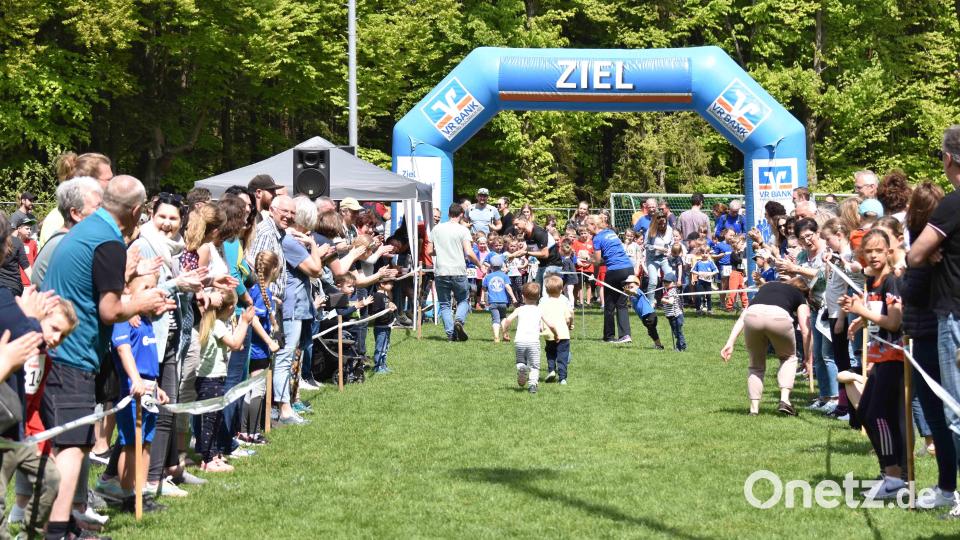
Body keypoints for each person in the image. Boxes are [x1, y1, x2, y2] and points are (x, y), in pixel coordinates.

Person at [40, 175, 172, 539]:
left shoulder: (87, 230)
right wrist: (143, 302)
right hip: (71, 354)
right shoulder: (109, 242)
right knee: (71, 447)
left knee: (74, 442)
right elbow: (110, 309)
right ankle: (57, 531)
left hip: (57, 349)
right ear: (136, 210)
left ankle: (65, 523)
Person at [907, 125, 960, 517]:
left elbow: (914, 255)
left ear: (948, 159)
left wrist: (930, 248)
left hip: (954, 315)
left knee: (955, 410)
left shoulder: (953, 204)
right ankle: (947, 488)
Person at [839, 229, 906, 500]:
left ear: (889, 252)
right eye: (869, 251)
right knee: (866, 412)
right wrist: (861, 318)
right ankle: (887, 473)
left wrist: (861, 311)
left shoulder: (891, 282)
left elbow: (894, 322)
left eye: (879, 250)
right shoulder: (873, 282)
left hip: (895, 357)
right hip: (879, 357)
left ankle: (894, 477)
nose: (874, 256)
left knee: (879, 414)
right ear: (862, 255)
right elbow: (878, 315)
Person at [110, 273, 170, 499]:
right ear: (128, 290)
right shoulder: (124, 320)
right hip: (132, 390)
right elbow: (123, 349)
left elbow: (148, 357)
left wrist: (157, 387)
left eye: (154, 287)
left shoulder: (145, 320)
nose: (151, 291)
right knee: (131, 444)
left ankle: (142, 493)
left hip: (150, 389)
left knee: (146, 442)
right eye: (145, 287)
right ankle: (127, 495)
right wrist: (135, 380)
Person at [720, 278, 813, 416]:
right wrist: (808, 359)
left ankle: (754, 409)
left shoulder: (766, 287)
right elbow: (805, 330)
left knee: (755, 365)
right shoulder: (799, 296)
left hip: (752, 316)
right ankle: (784, 400)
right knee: (789, 358)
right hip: (779, 318)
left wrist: (730, 342)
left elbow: (742, 317)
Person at [196, 291, 253, 472]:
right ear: (230, 308)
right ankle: (208, 459)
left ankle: (213, 455)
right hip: (210, 380)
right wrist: (244, 321)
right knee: (210, 421)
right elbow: (235, 344)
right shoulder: (217, 324)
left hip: (213, 378)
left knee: (215, 419)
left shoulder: (212, 322)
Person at [240, 251, 280, 445]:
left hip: (256, 348)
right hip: (257, 349)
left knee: (251, 388)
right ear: (274, 269)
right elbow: (253, 318)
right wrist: (269, 341)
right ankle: (251, 433)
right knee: (256, 390)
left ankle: (244, 431)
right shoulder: (260, 292)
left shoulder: (260, 290)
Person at [32, 178, 103, 285]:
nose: (103, 214)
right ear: (75, 213)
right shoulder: (68, 246)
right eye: (97, 208)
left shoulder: (65, 240)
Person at [431, 203, 481, 342]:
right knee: (463, 300)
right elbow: (469, 252)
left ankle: (450, 334)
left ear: (448, 214)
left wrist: (441, 250)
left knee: (445, 304)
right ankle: (459, 320)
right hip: (458, 270)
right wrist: (479, 264)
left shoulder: (436, 229)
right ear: (461, 215)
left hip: (441, 271)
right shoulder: (463, 230)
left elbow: (430, 251)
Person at [40, 153, 112, 247]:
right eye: (109, 179)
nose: (114, 184)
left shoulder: (90, 216)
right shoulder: (58, 221)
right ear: (89, 182)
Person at [501, 282, 557, 395]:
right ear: (538, 297)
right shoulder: (539, 310)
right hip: (533, 342)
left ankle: (522, 368)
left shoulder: (519, 309)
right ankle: (532, 385)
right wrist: (556, 335)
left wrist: (505, 332)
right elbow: (551, 325)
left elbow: (507, 320)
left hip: (519, 341)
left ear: (523, 296)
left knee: (521, 361)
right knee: (535, 365)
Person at [585, 215, 633, 343]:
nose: (586, 229)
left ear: (594, 225)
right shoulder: (611, 233)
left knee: (609, 305)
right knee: (622, 304)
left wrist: (587, 258)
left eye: (587, 226)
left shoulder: (597, 238)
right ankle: (625, 335)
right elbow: (606, 258)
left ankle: (609, 336)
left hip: (615, 271)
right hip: (628, 269)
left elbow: (597, 260)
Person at [540, 275, 573, 384]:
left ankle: (551, 370)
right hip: (563, 333)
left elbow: (540, 315)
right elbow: (569, 317)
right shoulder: (563, 301)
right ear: (561, 289)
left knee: (550, 352)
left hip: (548, 333)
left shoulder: (543, 301)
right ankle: (562, 378)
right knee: (562, 355)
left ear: (546, 289)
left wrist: (540, 326)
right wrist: (570, 324)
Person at [511, 215, 563, 284]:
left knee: (546, 293)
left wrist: (526, 252)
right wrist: (512, 256)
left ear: (524, 221)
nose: (515, 227)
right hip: (542, 265)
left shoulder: (539, 232)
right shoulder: (526, 235)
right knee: (536, 291)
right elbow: (528, 250)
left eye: (516, 224)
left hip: (553, 265)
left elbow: (545, 254)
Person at [622, 275, 665, 349]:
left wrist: (629, 291)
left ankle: (659, 345)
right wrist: (628, 294)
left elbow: (635, 293)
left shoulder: (638, 291)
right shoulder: (631, 296)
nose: (629, 286)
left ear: (637, 285)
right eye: (627, 285)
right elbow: (631, 301)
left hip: (649, 315)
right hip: (645, 316)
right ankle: (658, 345)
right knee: (651, 332)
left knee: (652, 331)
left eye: (631, 285)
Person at [481, 255, 516, 343]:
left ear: (491, 266)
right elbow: (508, 287)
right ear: (501, 266)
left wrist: (482, 299)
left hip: (492, 302)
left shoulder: (488, 277)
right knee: (503, 317)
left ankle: (496, 337)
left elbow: (484, 289)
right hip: (503, 301)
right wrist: (514, 298)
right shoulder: (504, 276)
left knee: (495, 319)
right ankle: (505, 334)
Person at [644, 210, 674, 302]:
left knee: (670, 277)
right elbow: (645, 245)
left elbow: (671, 243)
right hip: (652, 258)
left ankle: (671, 298)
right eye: (660, 224)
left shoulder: (669, 229)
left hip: (664, 257)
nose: (662, 226)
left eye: (664, 223)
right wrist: (657, 247)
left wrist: (670, 251)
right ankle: (651, 302)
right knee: (653, 281)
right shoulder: (650, 231)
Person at [369, 279, 397, 374]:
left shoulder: (385, 296)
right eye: (390, 283)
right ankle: (378, 366)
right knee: (380, 347)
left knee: (385, 346)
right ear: (381, 284)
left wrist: (391, 307)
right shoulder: (377, 296)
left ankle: (383, 364)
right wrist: (389, 310)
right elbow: (376, 312)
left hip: (386, 326)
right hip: (381, 326)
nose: (392, 285)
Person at [661, 274, 686, 351]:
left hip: (676, 316)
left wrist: (664, 300)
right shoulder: (667, 290)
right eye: (664, 282)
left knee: (678, 332)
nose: (666, 283)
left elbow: (671, 301)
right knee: (676, 332)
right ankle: (680, 346)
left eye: (668, 282)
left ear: (674, 283)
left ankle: (681, 347)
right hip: (671, 315)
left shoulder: (672, 291)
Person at [692, 248, 718, 314]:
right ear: (700, 254)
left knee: (708, 296)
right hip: (700, 281)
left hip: (708, 282)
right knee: (698, 295)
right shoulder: (698, 262)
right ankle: (698, 309)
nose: (704, 255)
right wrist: (699, 273)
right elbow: (692, 270)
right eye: (703, 253)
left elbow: (716, 270)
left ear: (708, 254)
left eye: (706, 253)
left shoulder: (710, 262)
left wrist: (710, 274)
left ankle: (709, 310)